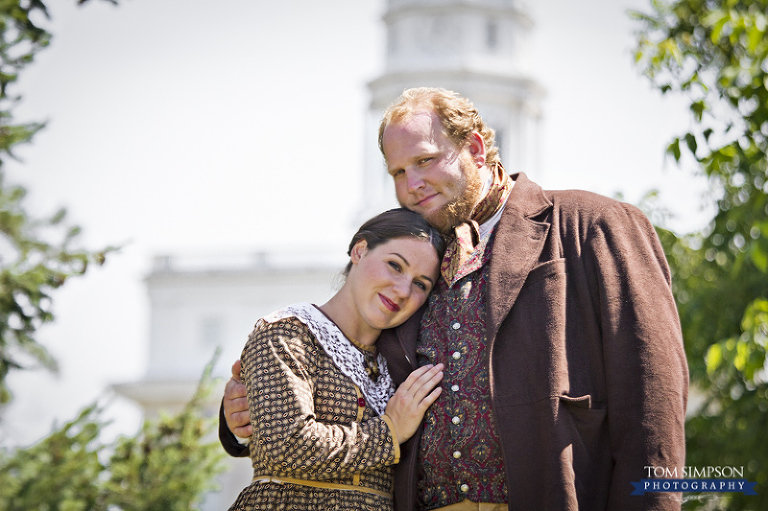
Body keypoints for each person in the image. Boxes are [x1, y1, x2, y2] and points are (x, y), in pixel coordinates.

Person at [222, 87, 689, 511]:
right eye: (398, 172)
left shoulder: (593, 224)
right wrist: (247, 411)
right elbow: (342, 370)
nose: (411, 185)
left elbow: (654, 403)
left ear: (476, 149)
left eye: (424, 161)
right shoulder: (414, 263)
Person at [226, 207, 447, 511]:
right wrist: (391, 431)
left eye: (421, 283)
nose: (403, 290)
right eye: (395, 265)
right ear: (359, 250)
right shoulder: (286, 333)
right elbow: (286, 448)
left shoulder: (402, 361)